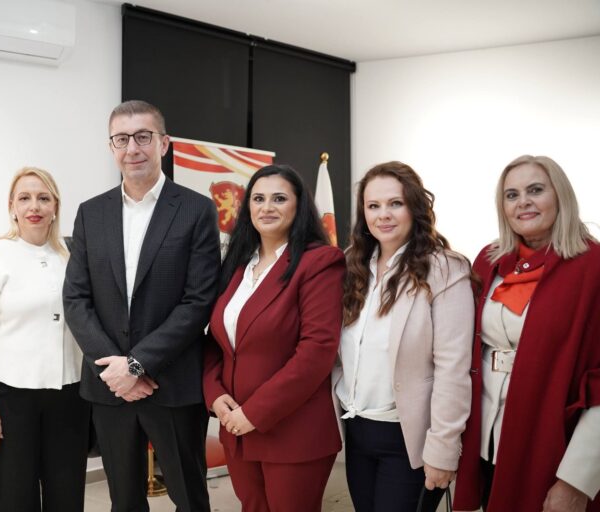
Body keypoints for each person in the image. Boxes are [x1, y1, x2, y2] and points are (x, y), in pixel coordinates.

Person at [63, 100, 221, 512]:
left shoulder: (196, 209)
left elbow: (198, 300)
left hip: (172, 383)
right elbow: (76, 299)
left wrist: (137, 364)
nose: (132, 147)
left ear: (163, 143)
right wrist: (117, 370)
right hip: (110, 387)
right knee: (124, 501)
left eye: (143, 137)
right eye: (121, 139)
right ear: (111, 147)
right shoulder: (90, 213)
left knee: (190, 498)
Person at [454, 155, 600, 512]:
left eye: (535, 190)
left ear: (560, 195)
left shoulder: (593, 266)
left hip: (553, 445)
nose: (523, 202)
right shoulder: (489, 260)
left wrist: (577, 480)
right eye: (512, 195)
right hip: (487, 441)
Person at [202, 164, 345, 512]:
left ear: (299, 206)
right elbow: (216, 340)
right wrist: (215, 394)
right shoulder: (236, 265)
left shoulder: (320, 261)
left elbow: (316, 352)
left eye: (279, 198)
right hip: (236, 428)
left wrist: (254, 413)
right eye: (258, 199)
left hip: (292, 431)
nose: (267, 207)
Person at [334, 161, 474, 512]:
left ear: (415, 206)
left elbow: (453, 368)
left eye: (395, 203)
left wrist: (443, 448)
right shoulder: (352, 265)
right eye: (373, 205)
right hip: (357, 432)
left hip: (409, 439)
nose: (383, 214)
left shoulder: (445, 269)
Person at [0, 167, 87, 512]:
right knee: (13, 495)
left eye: (44, 198)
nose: (35, 206)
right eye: (25, 198)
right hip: (11, 397)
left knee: (67, 492)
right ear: (12, 207)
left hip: (69, 393)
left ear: (55, 206)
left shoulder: (71, 257)